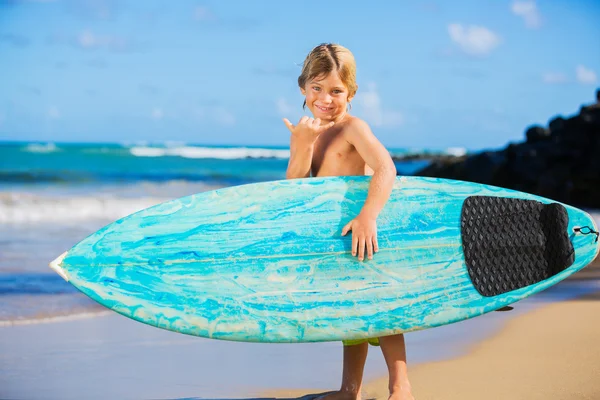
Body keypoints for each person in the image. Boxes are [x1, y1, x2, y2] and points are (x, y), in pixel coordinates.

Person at [283, 43, 414, 400]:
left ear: (351, 93)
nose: (326, 99)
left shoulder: (353, 127)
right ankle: (349, 390)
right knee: (351, 310)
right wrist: (302, 146)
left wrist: (368, 216)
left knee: (381, 305)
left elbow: (387, 167)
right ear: (303, 88)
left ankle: (401, 388)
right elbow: (295, 191)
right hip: (338, 236)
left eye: (336, 91)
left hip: (366, 230)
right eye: (317, 89)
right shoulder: (307, 132)